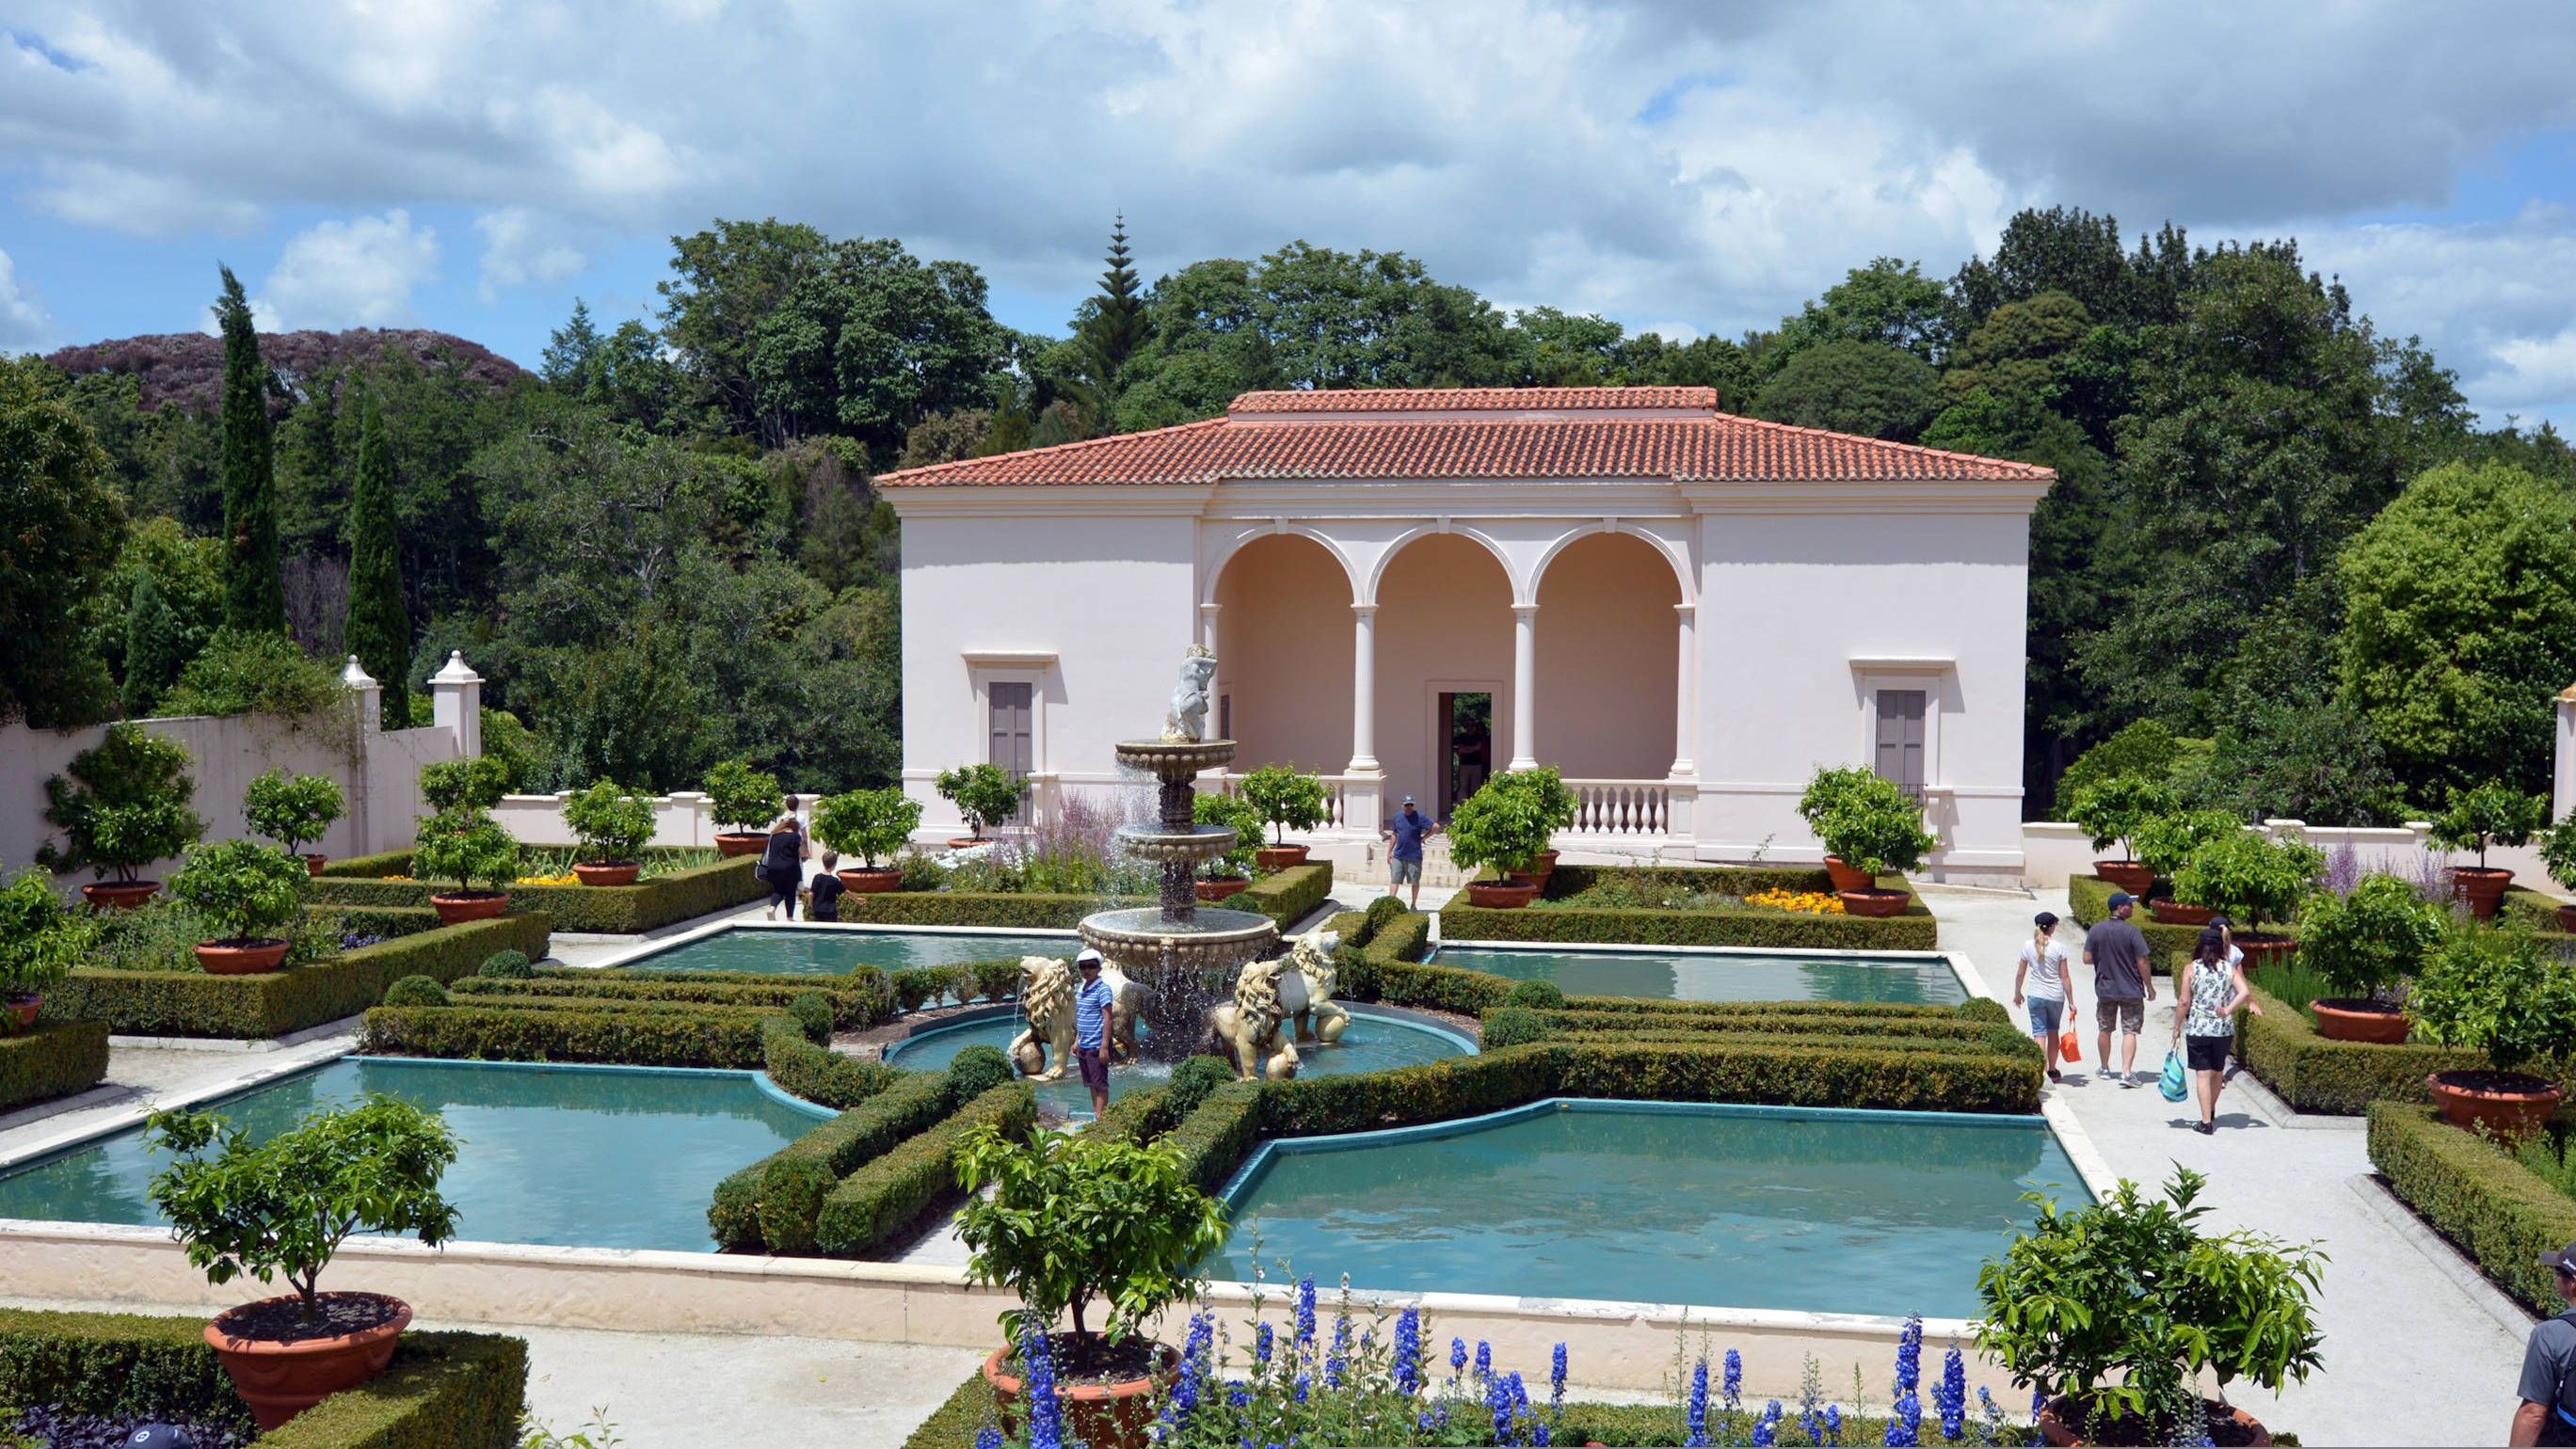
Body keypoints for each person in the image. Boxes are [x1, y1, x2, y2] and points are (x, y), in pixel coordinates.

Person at [2171, 925, 2252, 1134]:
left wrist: (2177, 1027)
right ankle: (2211, 1109)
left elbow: (2183, 1002)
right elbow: (2244, 992)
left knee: (2202, 1074)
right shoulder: (2229, 969)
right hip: (2223, 1029)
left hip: (2199, 1027)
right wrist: (2227, 1009)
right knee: (2218, 1072)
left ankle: (2206, 1121)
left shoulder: (2191, 969)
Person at [2082, 891, 2156, 1086]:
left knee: (2104, 1028)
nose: (2132, 908)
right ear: (2120, 908)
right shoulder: (2132, 932)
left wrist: (2104, 959)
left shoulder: (2096, 930)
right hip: (2131, 989)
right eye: (2129, 905)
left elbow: (2087, 958)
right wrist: (2149, 986)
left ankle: (2105, 1068)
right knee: (2130, 1030)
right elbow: (2142, 961)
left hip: (2105, 988)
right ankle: (2126, 1073)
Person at [2511, 1239, 2576, 1446]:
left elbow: (2533, 1414)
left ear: (2572, 1282)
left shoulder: (2551, 1334)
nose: (2556, 1277)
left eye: (2558, 1272)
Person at [2012, 911, 2074, 1084]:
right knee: (2053, 1031)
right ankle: (2052, 1070)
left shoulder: (2027, 946)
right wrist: (2071, 1002)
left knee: (2039, 1034)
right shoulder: (2059, 948)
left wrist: (2017, 993)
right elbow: (2065, 977)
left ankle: (2040, 1072)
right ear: (2052, 926)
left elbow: (2020, 973)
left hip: (2035, 995)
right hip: (2055, 996)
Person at [1071, 948, 1116, 1117]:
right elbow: (1081, 1017)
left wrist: (1104, 1046)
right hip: (1084, 1044)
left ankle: (1100, 1120)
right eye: (1083, 967)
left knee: (1100, 1086)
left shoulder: (1102, 989)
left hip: (1097, 1046)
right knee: (1091, 1084)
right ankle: (1097, 1115)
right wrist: (1077, 1041)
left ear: (1099, 968)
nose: (1087, 970)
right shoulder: (1082, 989)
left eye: (1091, 966)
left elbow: (1108, 1018)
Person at [1382, 795, 1437, 910]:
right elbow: (1394, 834)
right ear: (1402, 805)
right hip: (1399, 855)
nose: (1409, 807)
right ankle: (1390, 905)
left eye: (1411, 805)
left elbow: (1435, 827)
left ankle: (1413, 905)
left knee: (1414, 881)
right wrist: (1390, 851)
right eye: (1407, 805)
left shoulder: (1419, 817)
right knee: (1394, 880)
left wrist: (1424, 838)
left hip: (1414, 856)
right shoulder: (1397, 817)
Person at [758, 796, 808, 921]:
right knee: (790, 891)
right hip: (790, 868)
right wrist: (804, 848)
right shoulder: (795, 836)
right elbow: (803, 854)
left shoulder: (774, 835)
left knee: (778, 890)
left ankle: (772, 909)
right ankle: (790, 918)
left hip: (774, 867)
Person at [806, 850, 846, 924]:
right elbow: (846, 891)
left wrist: (810, 904)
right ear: (834, 864)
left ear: (823, 863)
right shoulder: (835, 880)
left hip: (818, 910)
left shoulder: (817, 877)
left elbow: (811, 894)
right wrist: (857, 899)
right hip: (830, 911)